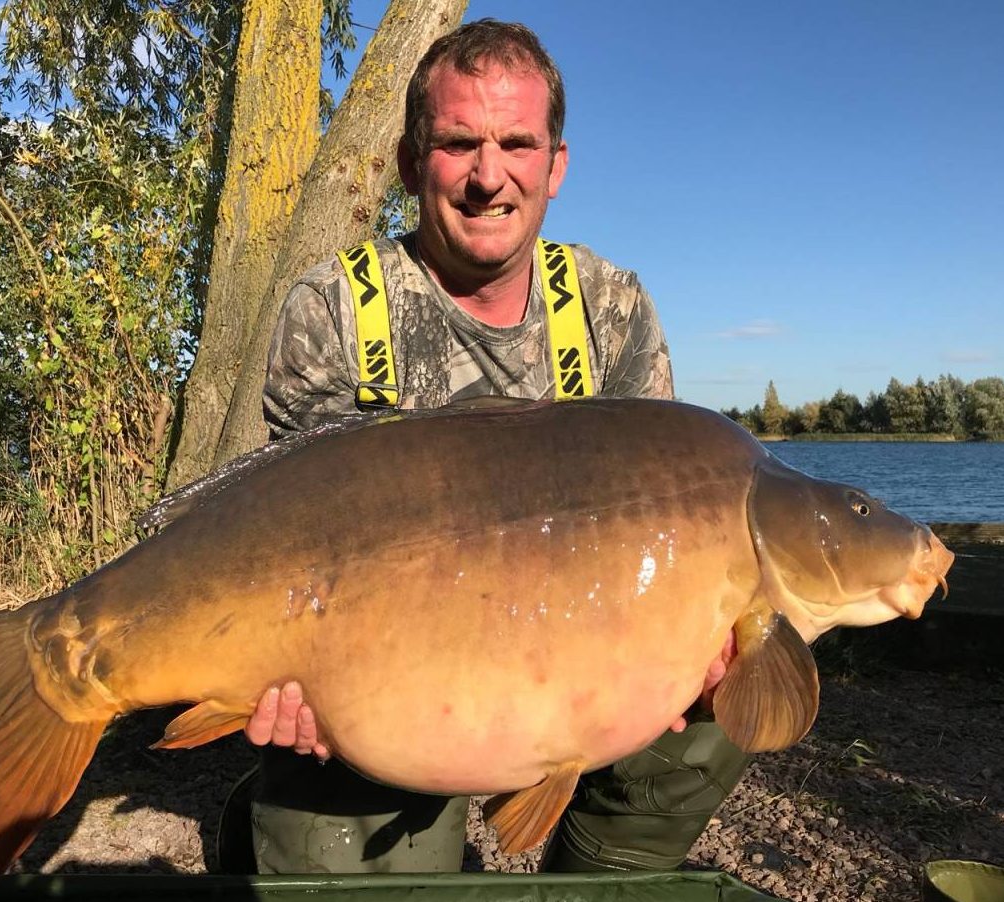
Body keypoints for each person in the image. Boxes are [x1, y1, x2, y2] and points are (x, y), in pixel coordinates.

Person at [221, 18, 749, 876]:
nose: (488, 176)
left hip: (565, 649)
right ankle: (281, 818)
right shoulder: (335, 309)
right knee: (337, 810)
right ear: (409, 162)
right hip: (387, 679)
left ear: (556, 166)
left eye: (516, 143)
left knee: (747, 666)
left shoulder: (611, 308)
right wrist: (291, 684)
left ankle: (597, 882)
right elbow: (289, 540)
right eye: (458, 143)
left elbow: (669, 519)